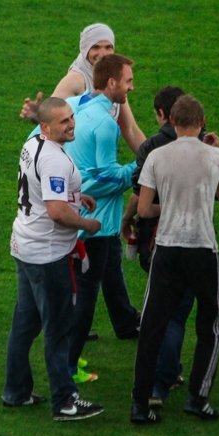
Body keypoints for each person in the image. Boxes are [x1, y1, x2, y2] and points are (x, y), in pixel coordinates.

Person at [130, 95, 219, 424]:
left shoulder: (156, 156)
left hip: (166, 248)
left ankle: (140, 404)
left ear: (172, 122)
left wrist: (171, 204)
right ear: (201, 123)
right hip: (202, 247)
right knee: (212, 324)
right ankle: (198, 398)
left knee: (152, 326)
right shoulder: (217, 156)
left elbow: (144, 209)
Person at [3, 97, 105, 421]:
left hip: (25, 246)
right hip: (47, 256)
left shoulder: (32, 143)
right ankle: (64, 401)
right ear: (46, 127)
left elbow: (46, 191)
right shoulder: (54, 160)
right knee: (59, 329)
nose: (72, 124)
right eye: (63, 122)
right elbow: (57, 212)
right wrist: (87, 224)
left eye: (71, 117)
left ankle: (16, 391)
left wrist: (76, 196)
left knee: (24, 324)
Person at [66, 54, 141, 382]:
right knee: (86, 293)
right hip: (95, 222)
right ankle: (69, 366)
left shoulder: (77, 105)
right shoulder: (106, 123)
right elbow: (106, 177)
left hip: (84, 216)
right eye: (128, 81)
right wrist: (142, 167)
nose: (131, 87)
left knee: (90, 283)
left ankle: (70, 356)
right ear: (111, 83)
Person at [121, 86, 196, 405]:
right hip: (198, 241)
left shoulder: (152, 148)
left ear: (164, 114)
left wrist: (127, 220)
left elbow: (141, 199)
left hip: (160, 241)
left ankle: (160, 382)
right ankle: (172, 372)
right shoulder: (206, 149)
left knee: (164, 314)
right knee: (180, 313)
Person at [20, 23, 146, 152]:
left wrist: (152, 159)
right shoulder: (76, 80)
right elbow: (51, 116)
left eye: (108, 47)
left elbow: (130, 129)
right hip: (63, 156)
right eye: (95, 47)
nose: (103, 54)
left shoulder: (113, 77)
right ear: (85, 49)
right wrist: (37, 114)